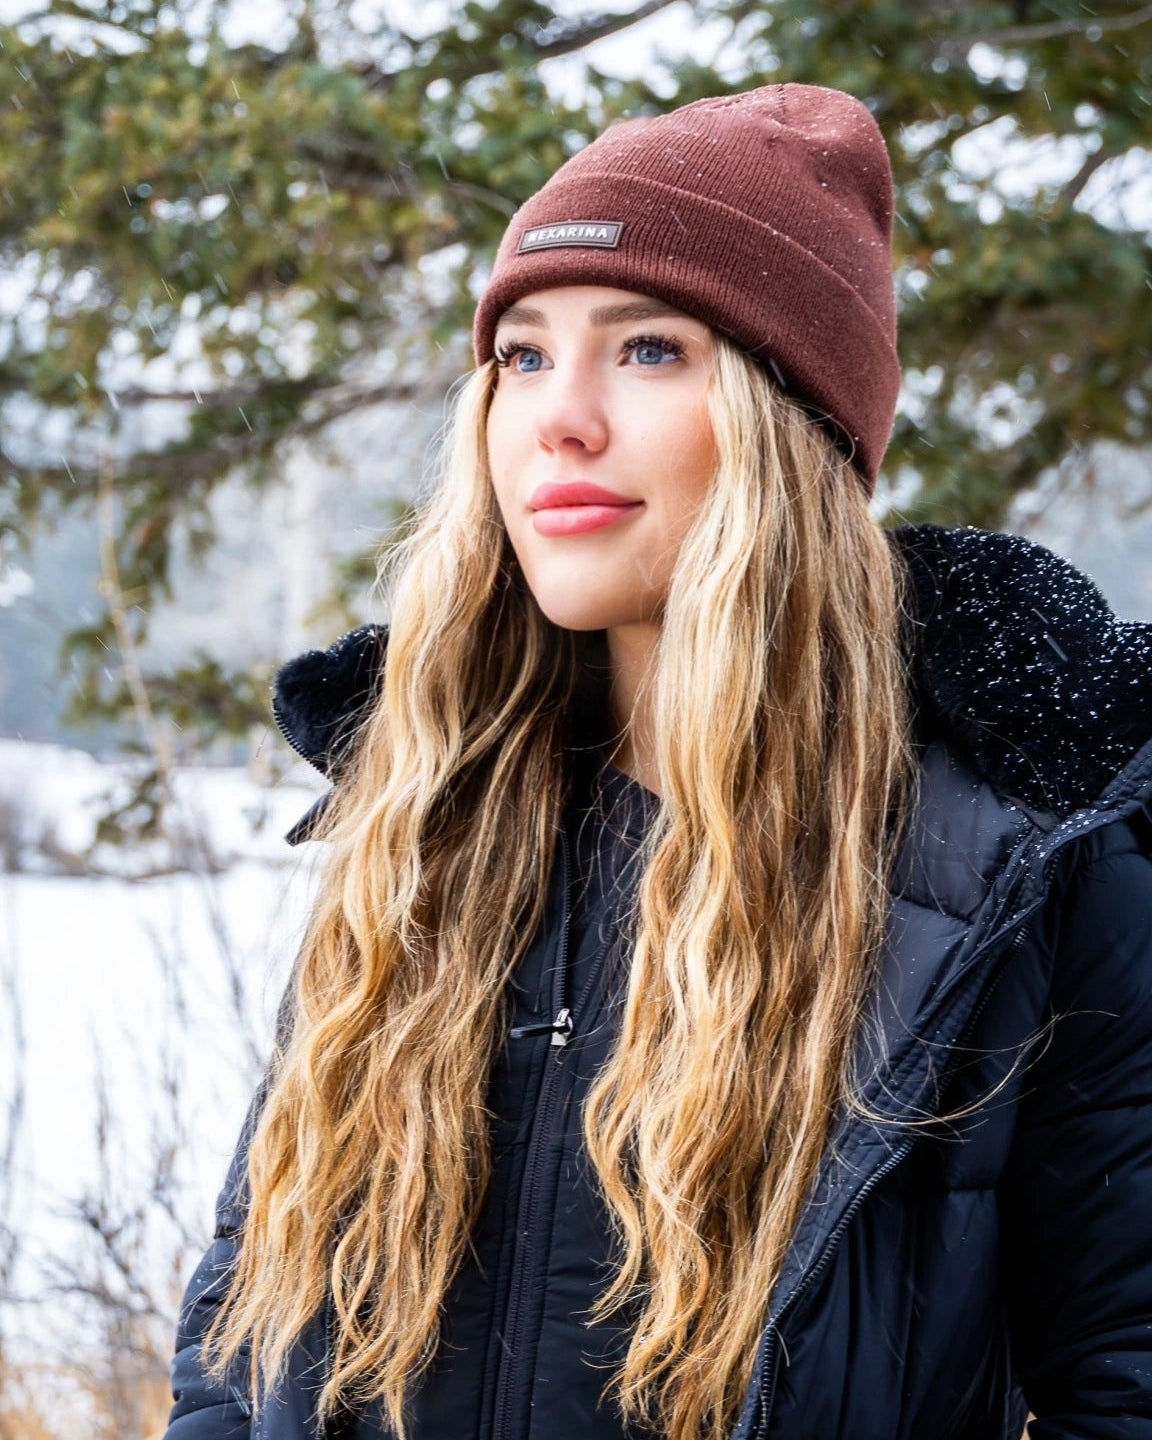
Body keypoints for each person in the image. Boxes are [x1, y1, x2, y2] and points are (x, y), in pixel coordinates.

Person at [163, 84, 1152, 1440]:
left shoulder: (1014, 873)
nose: (557, 420)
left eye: (646, 352)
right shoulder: (423, 817)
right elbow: (239, 1348)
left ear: (792, 423)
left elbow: (1125, 1385)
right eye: (520, 354)